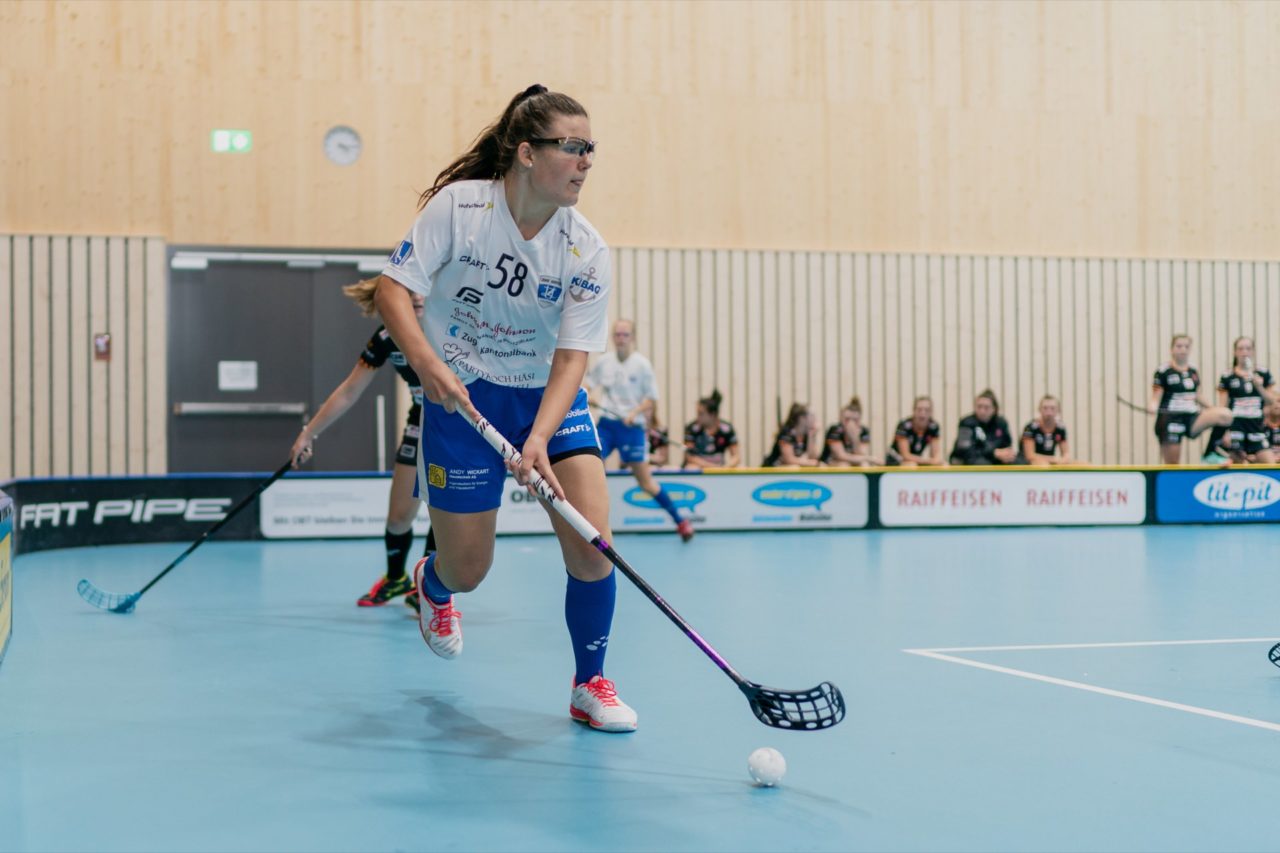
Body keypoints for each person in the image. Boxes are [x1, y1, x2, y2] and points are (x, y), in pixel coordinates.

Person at [373, 84, 636, 732]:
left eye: (591, 150)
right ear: (525, 152)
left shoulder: (586, 248)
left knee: (593, 546)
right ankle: (432, 586)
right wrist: (430, 368)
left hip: (547, 397)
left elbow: (574, 356)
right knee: (470, 568)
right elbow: (392, 289)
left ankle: (589, 682)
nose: (585, 162)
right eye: (572, 147)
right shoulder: (459, 210)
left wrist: (541, 438)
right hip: (461, 401)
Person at [288, 279, 436, 608]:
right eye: (409, 289)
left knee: (445, 514)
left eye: (422, 287)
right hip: (420, 423)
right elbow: (349, 391)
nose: (417, 296)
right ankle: (396, 579)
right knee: (398, 517)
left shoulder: (452, 329)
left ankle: (427, 589)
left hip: (459, 430)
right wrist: (308, 432)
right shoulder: (387, 337)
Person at [585, 318, 693, 541]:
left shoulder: (642, 365)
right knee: (591, 467)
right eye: (617, 335)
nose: (620, 339)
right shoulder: (604, 362)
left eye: (625, 335)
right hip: (607, 425)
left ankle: (680, 521)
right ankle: (593, 528)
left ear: (632, 338)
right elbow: (587, 384)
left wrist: (634, 413)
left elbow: (651, 398)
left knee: (645, 482)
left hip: (632, 428)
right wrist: (588, 395)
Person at [1148, 334, 1232, 464]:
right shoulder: (1164, 371)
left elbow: (1197, 395)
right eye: (1179, 346)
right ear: (1172, 349)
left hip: (1191, 417)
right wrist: (1152, 406)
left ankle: (1209, 454)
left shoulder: (1193, 371)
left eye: (1186, 346)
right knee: (1172, 464)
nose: (1183, 349)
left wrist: (1213, 409)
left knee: (1225, 415)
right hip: (1171, 418)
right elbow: (1156, 396)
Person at [1211, 336, 1277, 464]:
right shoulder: (1228, 376)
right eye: (1240, 349)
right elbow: (1223, 407)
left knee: (1270, 464)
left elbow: (1271, 402)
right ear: (1235, 352)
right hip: (1236, 427)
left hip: (1256, 427)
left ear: (1253, 351)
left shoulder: (1262, 373)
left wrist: (1259, 386)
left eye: (1248, 348)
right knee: (1237, 464)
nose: (1244, 352)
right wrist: (1224, 432)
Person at [949, 389, 1018, 465]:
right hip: (969, 459)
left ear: (994, 409)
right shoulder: (966, 423)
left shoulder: (1001, 423)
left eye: (986, 407)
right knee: (983, 464)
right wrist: (993, 453)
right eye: (979, 407)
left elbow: (1006, 446)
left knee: (1018, 462)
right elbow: (964, 450)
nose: (982, 411)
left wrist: (1006, 455)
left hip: (993, 459)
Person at [683, 389, 740, 469]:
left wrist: (726, 467)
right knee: (691, 467)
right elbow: (690, 457)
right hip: (700, 467)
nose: (698, 417)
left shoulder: (727, 429)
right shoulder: (692, 428)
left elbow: (736, 457)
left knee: (741, 467)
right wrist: (713, 467)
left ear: (712, 414)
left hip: (720, 468)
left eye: (701, 414)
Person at [821, 396, 881, 466]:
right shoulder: (835, 430)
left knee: (864, 465)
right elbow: (840, 456)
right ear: (841, 418)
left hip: (852, 460)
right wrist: (868, 458)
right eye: (847, 419)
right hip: (832, 461)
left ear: (860, 420)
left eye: (855, 420)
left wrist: (855, 438)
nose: (850, 423)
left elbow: (860, 454)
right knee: (844, 465)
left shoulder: (863, 431)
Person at [885, 396, 944, 466]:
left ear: (931, 412)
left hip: (916, 460)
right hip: (896, 459)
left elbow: (935, 455)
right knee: (911, 465)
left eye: (927, 410)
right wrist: (930, 461)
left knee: (943, 464)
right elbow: (905, 455)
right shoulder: (904, 426)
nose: (923, 413)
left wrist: (936, 461)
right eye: (919, 410)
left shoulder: (933, 426)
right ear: (914, 411)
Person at [1021, 395, 1074, 465]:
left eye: (1052, 408)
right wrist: (1054, 459)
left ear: (1058, 410)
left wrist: (1065, 458)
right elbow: (1030, 455)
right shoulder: (1030, 427)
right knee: (1042, 465)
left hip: (1049, 462)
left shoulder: (1060, 427)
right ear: (1039, 409)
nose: (1049, 412)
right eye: (1045, 408)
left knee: (1082, 464)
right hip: (1028, 463)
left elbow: (1066, 453)